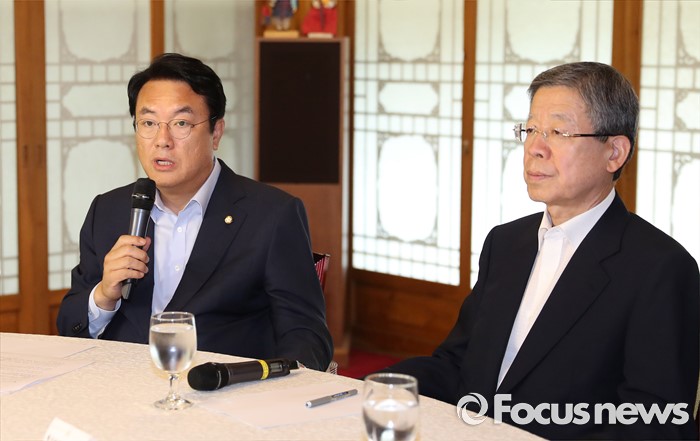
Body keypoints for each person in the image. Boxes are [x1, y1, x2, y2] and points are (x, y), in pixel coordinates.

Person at [381, 62, 699, 440]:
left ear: (614, 152)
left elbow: (658, 423)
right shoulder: (505, 243)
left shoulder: (660, 268)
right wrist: (368, 387)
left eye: (558, 132)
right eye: (530, 129)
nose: (535, 148)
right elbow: (458, 365)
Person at [57, 53, 333, 371]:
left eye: (181, 124)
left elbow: (307, 336)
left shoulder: (272, 215)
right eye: (148, 123)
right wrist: (104, 295)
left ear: (216, 133)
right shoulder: (107, 210)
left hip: (222, 390)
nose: (162, 141)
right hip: (122, 387)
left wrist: (269, 387)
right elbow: (69, 325)